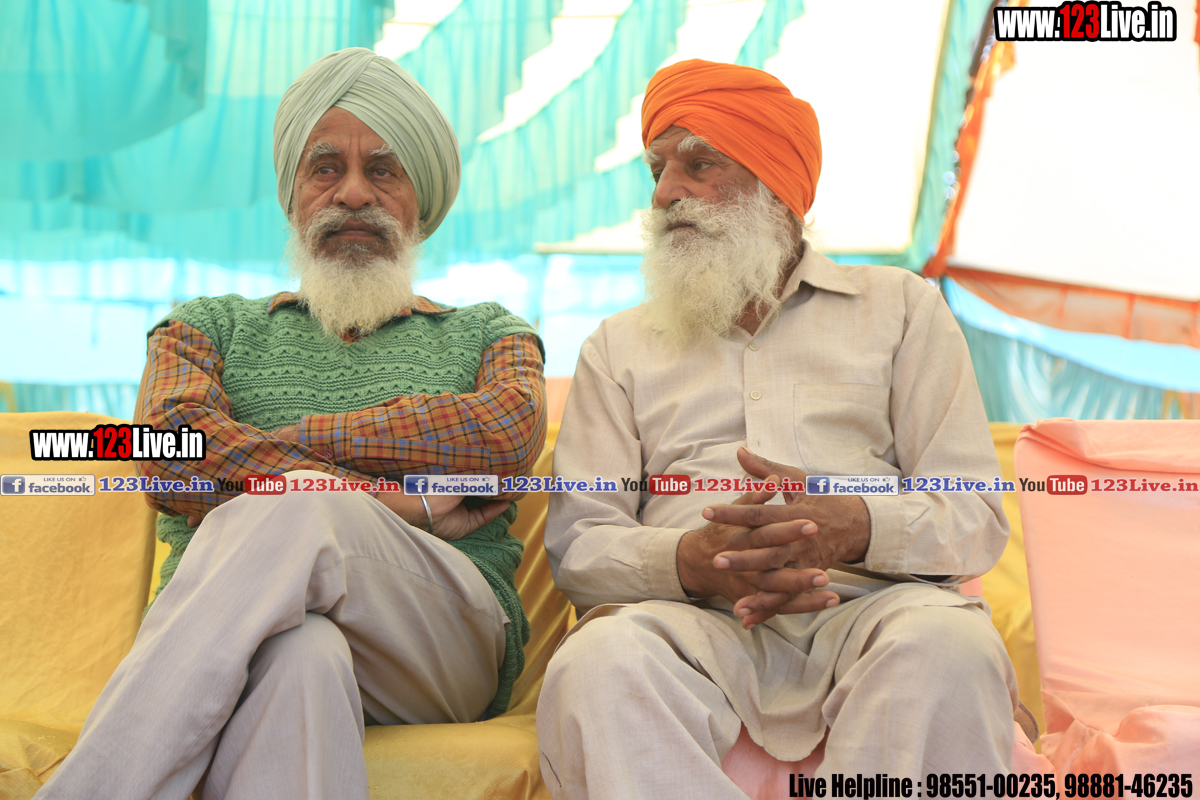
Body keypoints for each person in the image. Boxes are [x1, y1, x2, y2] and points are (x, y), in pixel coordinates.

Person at [38, 48, 546, 800]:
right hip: (247, 640)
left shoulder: (488, 332)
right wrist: (392, 499)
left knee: (295, 498)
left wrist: (291, 460)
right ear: (293, 195)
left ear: (421, 199)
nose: (352, 192)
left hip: (439, 638)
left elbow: (502, 439)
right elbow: (167, 453)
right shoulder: (206, 324)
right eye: (325, 168)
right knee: (300, 658)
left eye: (383, 170)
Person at [537, 59, 1019, 798]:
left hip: (874, 610)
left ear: (774, 184)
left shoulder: (902, 309)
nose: (665, 193)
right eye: (658, 170)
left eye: (699, 164)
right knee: (596, 663)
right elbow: (580, 542)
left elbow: (973, 513)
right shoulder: (617, 346)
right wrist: (693, 560)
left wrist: (854, 526)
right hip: (689, 625)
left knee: (951, 644)